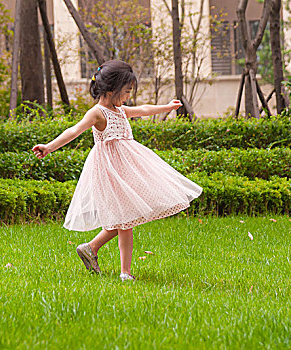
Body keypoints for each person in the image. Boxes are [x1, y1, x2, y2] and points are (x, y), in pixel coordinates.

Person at [32, 60, 202, 281]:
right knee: (126, 219)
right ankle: (124, 271)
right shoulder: (98, 113)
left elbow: (143, 109)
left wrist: (167, 107)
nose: (128, 96)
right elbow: (74, 130)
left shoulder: (120, 110)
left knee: (127, 217)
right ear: (111, 89)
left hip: (127, 167)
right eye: (126, 91)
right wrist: (49, 147)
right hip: (111, 171)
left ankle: (92, 249)